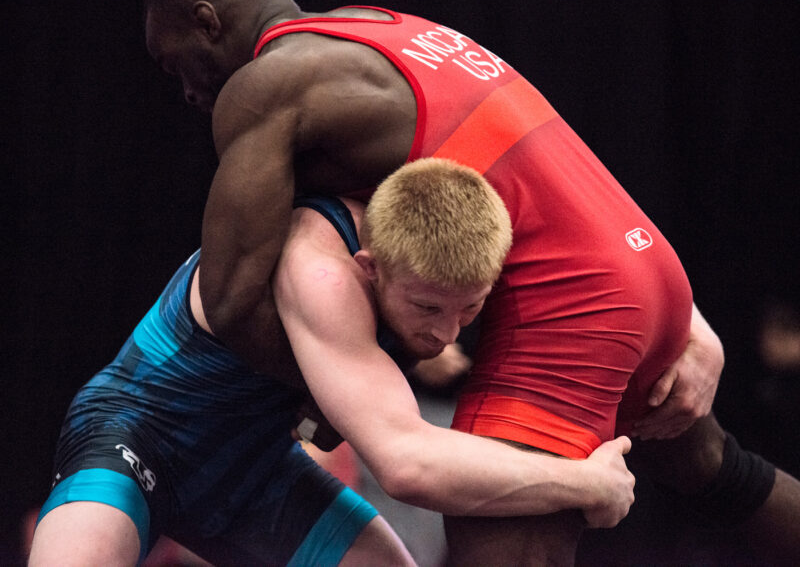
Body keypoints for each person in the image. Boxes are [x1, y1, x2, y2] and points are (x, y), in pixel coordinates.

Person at [142, 0, 800, 563]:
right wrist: (687, 316)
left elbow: (231, 302)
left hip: (579, 304)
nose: (188, 93)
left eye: (173, 66)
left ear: (206, 21)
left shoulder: (265, 87)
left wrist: (336, 391)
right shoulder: (389, 27)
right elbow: (547, 167)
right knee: (725, 477)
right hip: (644, 263)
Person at [28, 161, 637, 566]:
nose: (446, 333)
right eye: (427, 308)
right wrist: (587, 482)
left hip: (257, 468)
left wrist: (685, 334)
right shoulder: (321, 268)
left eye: (469, 309)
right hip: (138, 434)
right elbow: (407, 465)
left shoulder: (428, 253)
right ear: (370, 269)